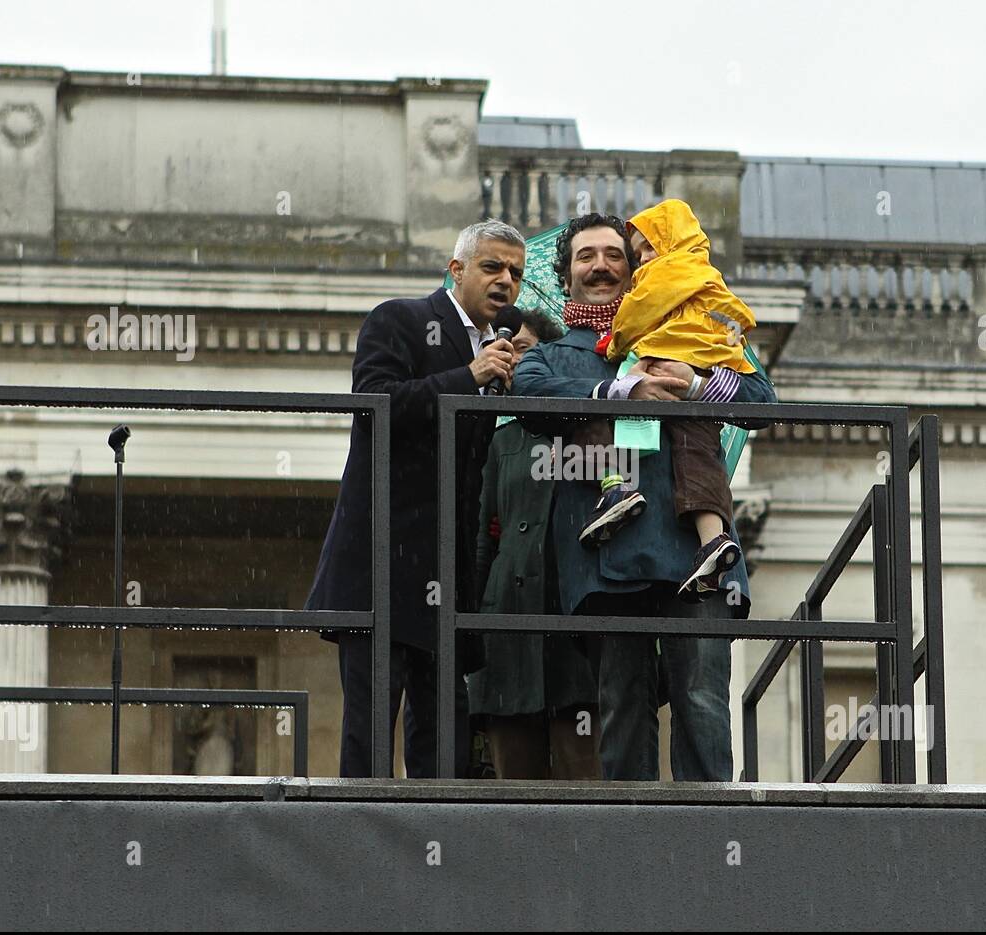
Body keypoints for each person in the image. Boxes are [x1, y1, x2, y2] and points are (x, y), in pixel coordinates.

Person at [512, 212, 777, 782]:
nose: (602, 264)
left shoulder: (686, 329)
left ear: (638, 271)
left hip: (694, 551)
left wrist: (699, 383)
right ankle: (629, 843)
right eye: (586, 256)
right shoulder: (555, 354)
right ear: (566, 276)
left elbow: (763, 400)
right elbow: (529, 393)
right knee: (622, 706)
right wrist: (617, 388)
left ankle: (712, 835)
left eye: (615, 254)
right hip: (607, 557)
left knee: (703, 699)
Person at [305, 219, 526, 778]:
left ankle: (435, 858)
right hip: (381, 568)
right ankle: (360, 855)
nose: (506, 281)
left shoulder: (499, 357)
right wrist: (466, 377)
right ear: (455, 270)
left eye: (516, 274)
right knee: (370, 738)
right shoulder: (401, 319)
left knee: (442, 747)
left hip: (445, 582)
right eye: (492, 267)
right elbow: (374, 402)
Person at [578, 199, 759, 603]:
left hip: (676, 359)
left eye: (644, 249)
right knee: (697, 454)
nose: (641, 260)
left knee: (609, 405)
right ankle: (713, 539)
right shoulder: (706, 280)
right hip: (627, 571)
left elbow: (763, 399)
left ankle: (616, 489)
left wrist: (694, 384)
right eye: (637, 252)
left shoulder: (663, 279)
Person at [468, 309, 602, 780]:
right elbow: (481, 540)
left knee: (585, 783)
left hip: (574, 625)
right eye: (506, 350)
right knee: (512, 791)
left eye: (524, 350)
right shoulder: (498, 440)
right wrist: (468, 623)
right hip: (508, 624)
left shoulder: (588, 430)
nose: (513, 362)